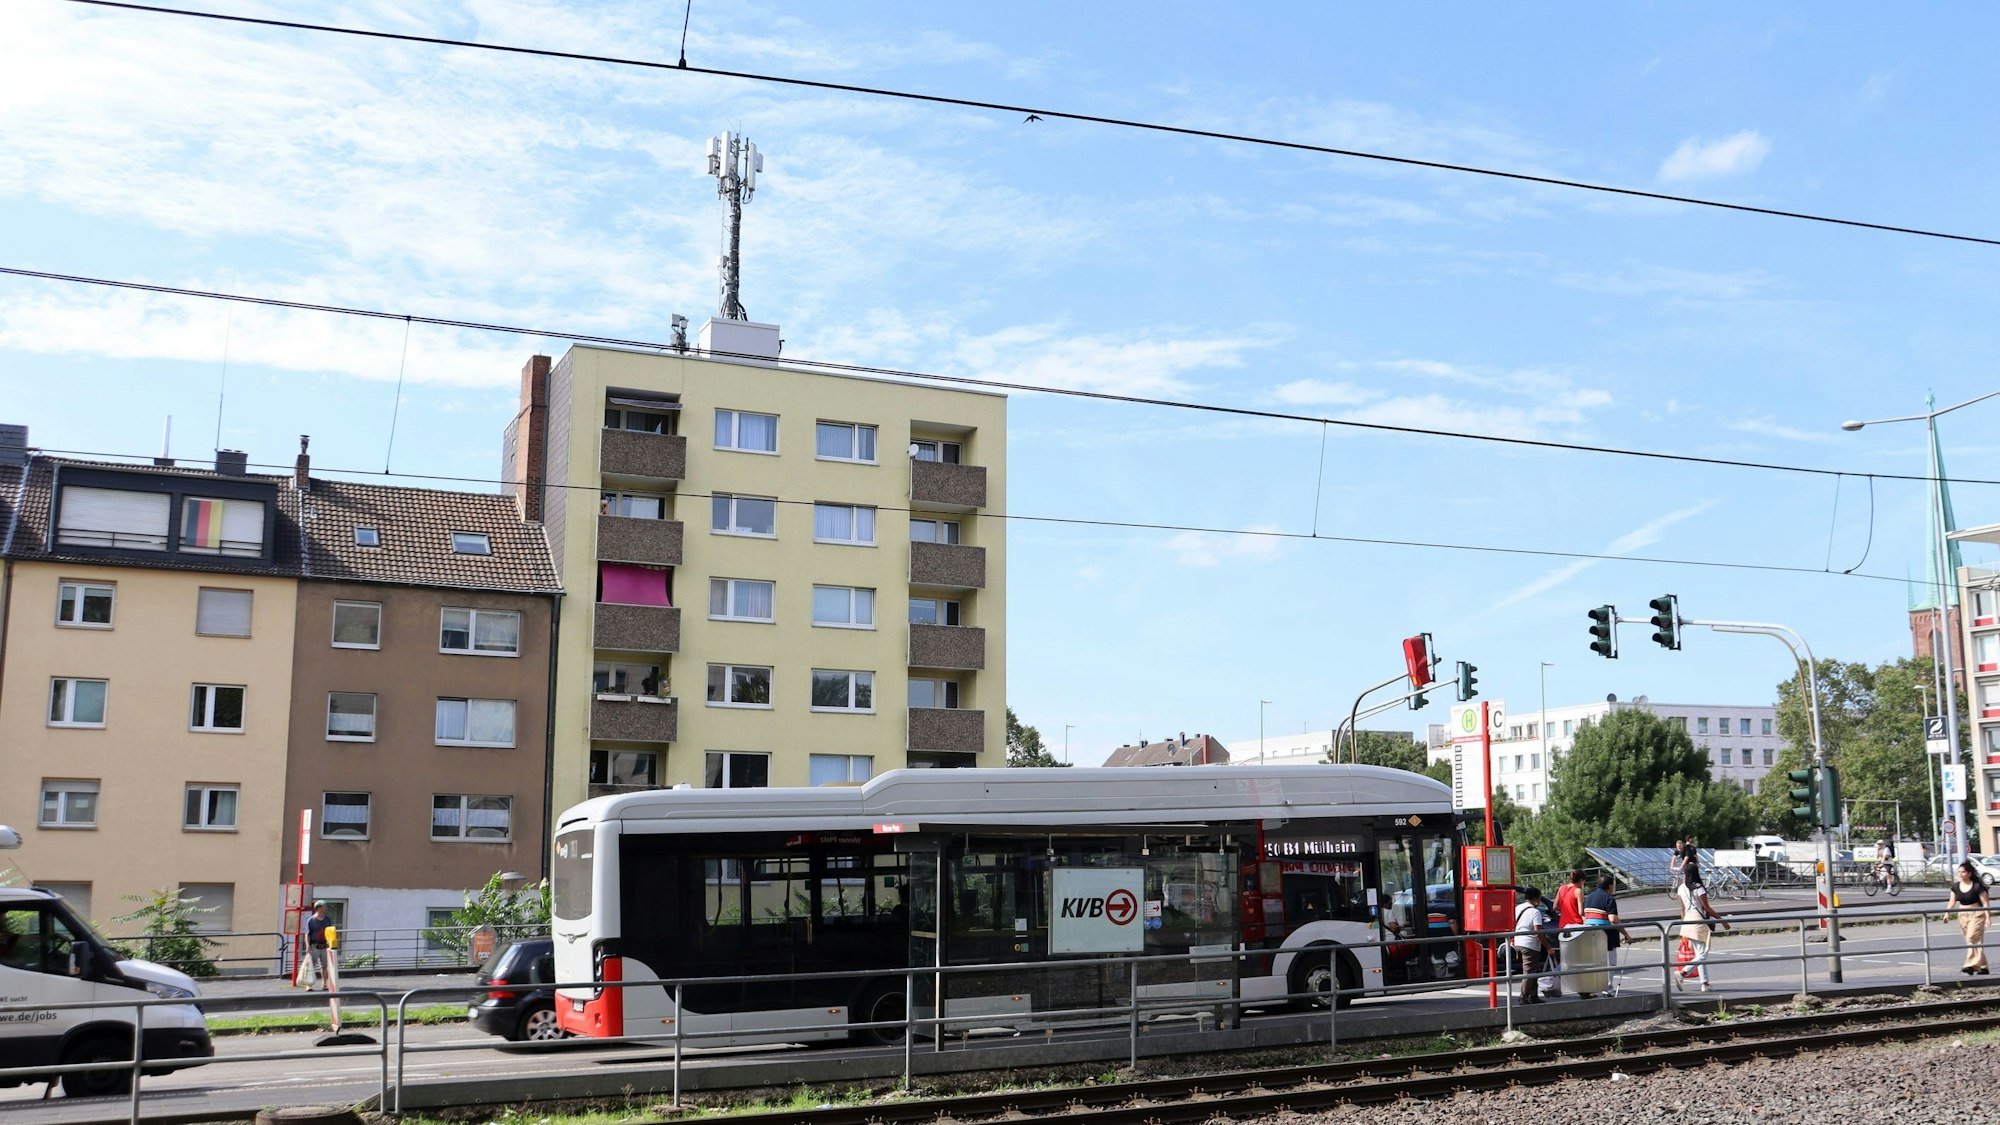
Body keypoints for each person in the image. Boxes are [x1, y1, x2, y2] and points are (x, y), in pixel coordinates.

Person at [1675, 870, 1728, 992]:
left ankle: (1705, 983)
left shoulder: (1681, 888)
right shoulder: (1698, 887)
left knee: (1699, 953)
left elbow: (1682, 909)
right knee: (1702, 954)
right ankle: (1683, 973)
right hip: (1698, 922)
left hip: (1687, 921)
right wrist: (1722, 921)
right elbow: (1707, 908)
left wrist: (1684, 924)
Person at [1946, 860, 1991, 975]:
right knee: (1972, 941)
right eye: (1959, 872)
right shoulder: (1956, 886)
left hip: (1977, 913)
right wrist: (1947, 913)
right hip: (1963, 914)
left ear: (1969, 873)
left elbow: (1985, 903)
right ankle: (1983, 966)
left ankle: (1970, 965)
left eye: (1963, 872)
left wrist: (1988, 918)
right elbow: (1952, 902)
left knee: (1972, 938)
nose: (1961, 874)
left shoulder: (1977, 887)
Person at [1511, 887, 1555, 1005]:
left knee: (1533, 970)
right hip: (1529, 944)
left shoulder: (1518, 908)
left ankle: (1533, 996)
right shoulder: (1535, 912)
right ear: (1536, 899)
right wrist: (1548, 946)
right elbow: (1538, 932)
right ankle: (1523, 997)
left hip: (1518, 941)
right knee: (1530, 972)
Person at [1582, 873, 1624, 997]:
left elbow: (1584, 916)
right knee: (1610, 963)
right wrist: (1626, 934)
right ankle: (1608, 989)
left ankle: (1592, 988)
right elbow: (1613, 919)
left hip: (1591, 935)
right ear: (1609, 886)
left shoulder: (1588, 898)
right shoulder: (1609, 899)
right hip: (1607, 937)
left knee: (1595, 963)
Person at [303, 901, 332, 991]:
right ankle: (309, 985)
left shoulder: (327, 919)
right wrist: (308, 946)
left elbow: (330, 931)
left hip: (324, 946)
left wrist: (330, 943)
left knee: (324, 966)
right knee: (311, 966)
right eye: (324, 906)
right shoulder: (311, 920)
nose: (326, 908)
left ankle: (324, 984)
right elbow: (307, 934)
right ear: (319, 908)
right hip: (314, 947)